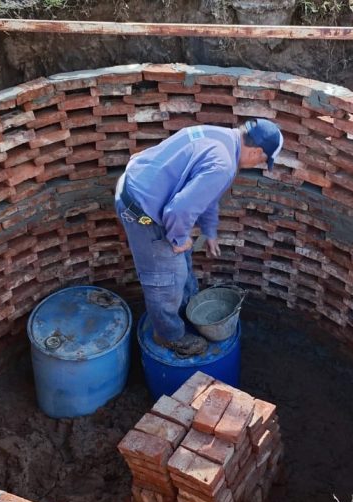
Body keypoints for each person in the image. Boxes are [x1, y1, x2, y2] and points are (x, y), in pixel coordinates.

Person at [115, 118, 284, 357]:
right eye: (263, 160)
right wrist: (178, 239)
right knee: (165, 278)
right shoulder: (223, 164)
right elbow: (179, 210)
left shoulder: (220, 135)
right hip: (141, 213)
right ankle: (168, 335)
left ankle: (186, 310)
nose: (260, 164)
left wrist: (209, 231)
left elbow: (206, 194)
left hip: (141, 187)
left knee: (181, 265)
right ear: (257, 151)